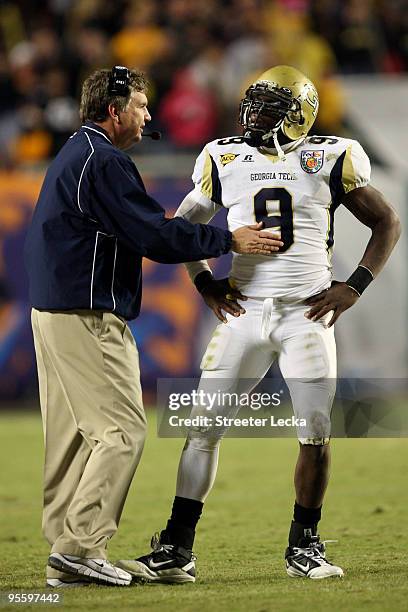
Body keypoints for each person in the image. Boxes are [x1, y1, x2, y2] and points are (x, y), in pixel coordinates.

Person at [117, 65, 401, 582]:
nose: (255, 115)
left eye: (270, 106)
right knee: (203, 428)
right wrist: (205, 284)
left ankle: (304, 546)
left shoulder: (332, 155)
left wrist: (354, 285)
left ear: (300, 114)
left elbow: (387, 220)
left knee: (314, 433)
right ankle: (177, 549)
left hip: (306, 314)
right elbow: (184, 228)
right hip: (245, 311)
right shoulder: (222, 155)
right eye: (254, 104)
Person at [24, 66, 282, 588]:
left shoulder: (77, 152)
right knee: (121, 432)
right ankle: (79, 548)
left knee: (75, 436)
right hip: (87, 314)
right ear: (114, 109)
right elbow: (156, 236)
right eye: (141, 106)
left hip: (53, 311)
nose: (148, 116)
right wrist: (229, 241)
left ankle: (65, 545)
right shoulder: (104, 160)